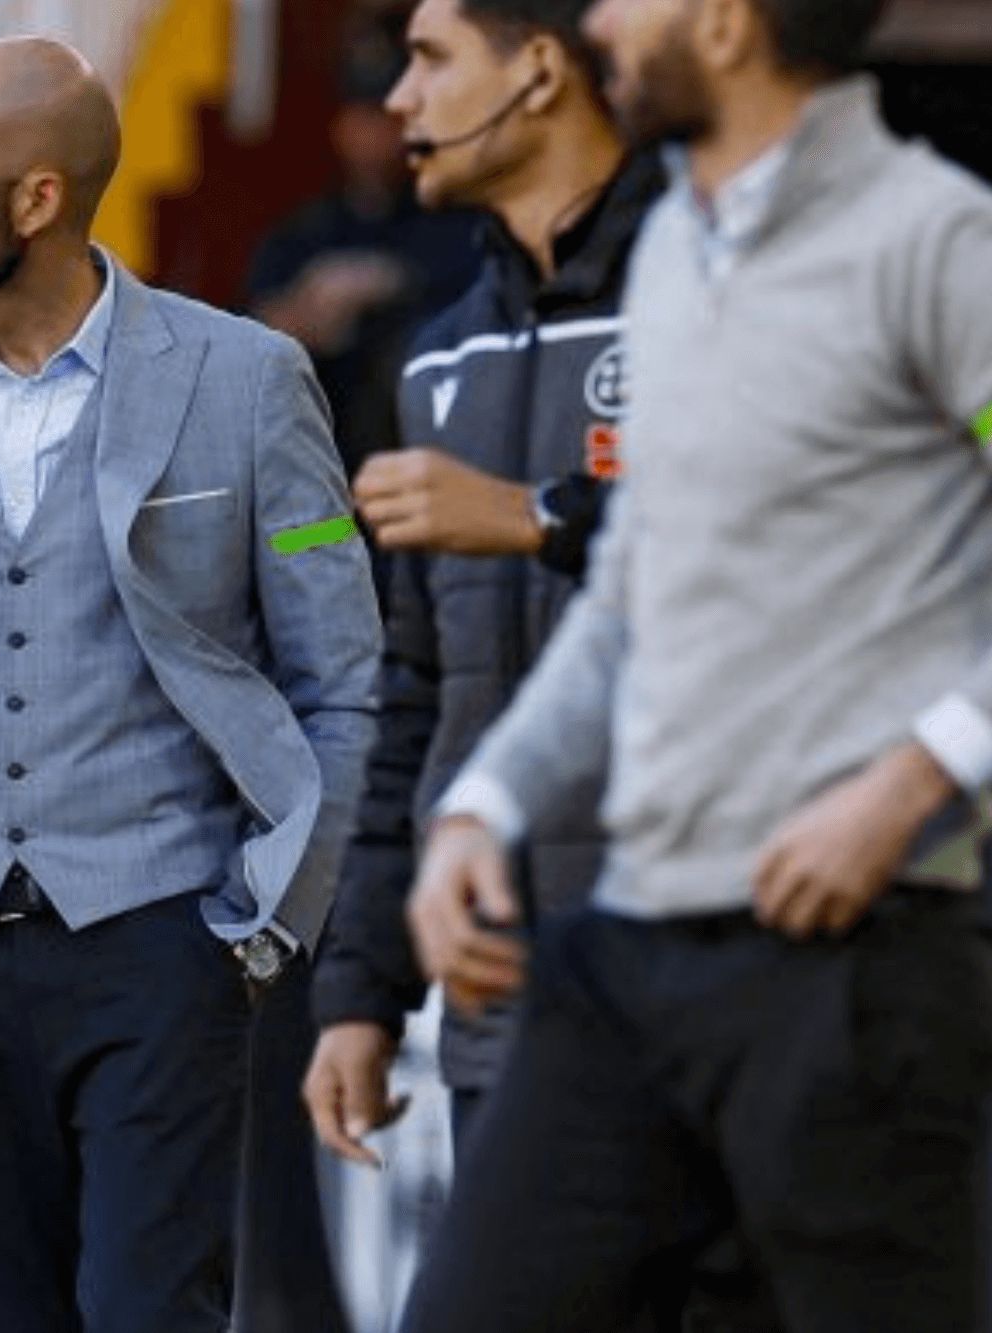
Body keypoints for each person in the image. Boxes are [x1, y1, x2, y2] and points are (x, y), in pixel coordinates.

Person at [0, 38, 381, 1332]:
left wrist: (267, 922)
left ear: (36, 200)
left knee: (151, 1313)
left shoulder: (249, 380)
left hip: (167, 933)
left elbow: (346, 674)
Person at [399, 0, 992, 1328]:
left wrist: (913, 779)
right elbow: (624, 600)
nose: (601, 18)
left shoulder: (940, 241)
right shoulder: (672, 248)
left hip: (860, 966)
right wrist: (485, 804)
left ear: (725, 22)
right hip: (633, 951)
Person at [306, 0, 656, 1162]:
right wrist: (358, 988)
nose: (398, 100)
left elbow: (788, 551)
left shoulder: (712, 295)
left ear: (540, 72)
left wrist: (533, 515)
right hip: (494, 1000)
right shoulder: (436, 355)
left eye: (427, 60)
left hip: (694, 981)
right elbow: (414, 695)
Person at [246, 31, 478, 490]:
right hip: (328, 495)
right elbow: (245, 334)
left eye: (387, 120)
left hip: (423, 483)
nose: (374, 137)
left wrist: (387, 282)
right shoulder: (306, 233)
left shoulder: (456, 224)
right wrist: (297, 318)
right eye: (361, 118)